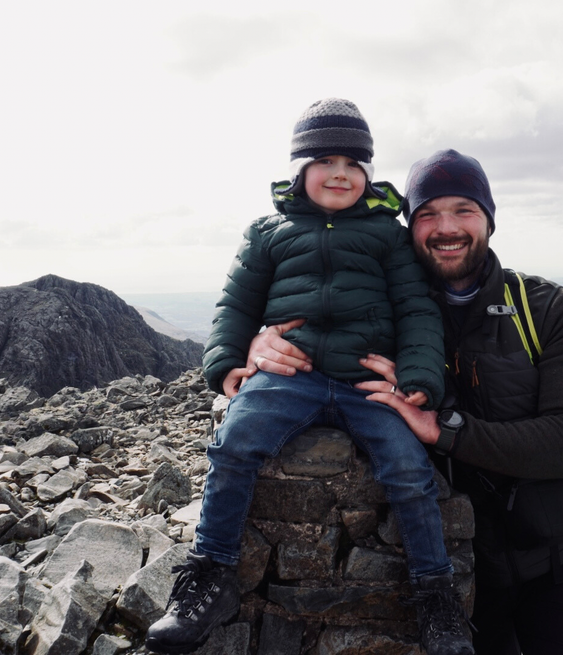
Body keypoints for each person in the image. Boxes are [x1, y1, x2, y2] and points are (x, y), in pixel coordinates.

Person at [241, 149, 563, 654]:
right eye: (427, 214)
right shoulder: (379, 316)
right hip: (460, 565)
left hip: (556, 562)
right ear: (408, 226)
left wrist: (445, 428)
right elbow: (300, 322)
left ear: (488, 220)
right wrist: (260, 342)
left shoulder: (547, 309)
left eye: (464, 210)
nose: (446, 228)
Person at [145, 100, 472, 655]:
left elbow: (416, 308)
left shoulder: (388, 235)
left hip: (365, 381)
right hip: (288, 376)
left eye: (353, 163)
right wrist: (225, 362)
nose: (340, 173)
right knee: (234, 444)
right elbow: (236, 304)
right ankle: (210, 574)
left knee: (408, 469)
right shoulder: (267, 231)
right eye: (325, 161)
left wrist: (419, 374)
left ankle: (435, 594)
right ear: (299, 169)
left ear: (368, 173)